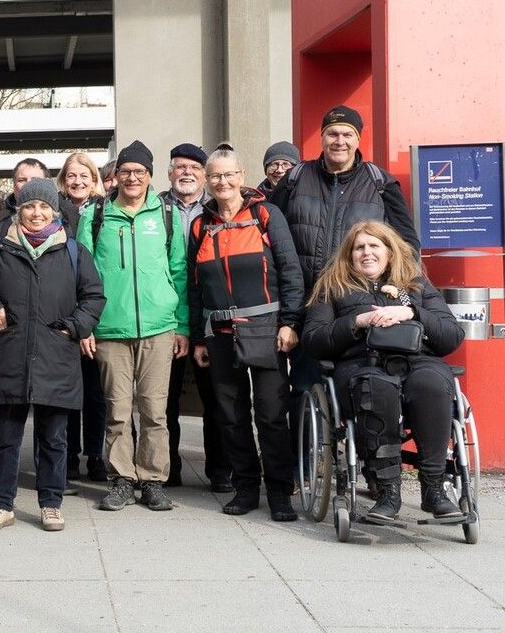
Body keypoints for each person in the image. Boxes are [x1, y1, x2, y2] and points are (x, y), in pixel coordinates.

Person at [269, 105, 420, 448]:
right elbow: (270, 237)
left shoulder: (380, 183)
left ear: (358, 138)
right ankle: (302, 466)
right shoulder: (295, 179)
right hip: (306, 305)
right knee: (304, 388)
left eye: (347, 134)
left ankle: (368, 465)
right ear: (321, 138)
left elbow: (407, 244)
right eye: (332, 134)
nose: (339, 141)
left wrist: (397, 286)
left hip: (361, 305)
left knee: (364, 388)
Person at [0, 179, 105, 533]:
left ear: (54, 211)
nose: (36, 213)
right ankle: (2, 505)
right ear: (19, 210)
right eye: (29, 207)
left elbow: (94, 297)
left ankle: (51, 504)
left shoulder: (73, 251)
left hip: (56, 355)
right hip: (10, 353)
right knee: (5, 438)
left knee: (53, 438)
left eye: (43, 207)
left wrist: (74, 327)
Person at [302, 221, 464, 522]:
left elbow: (451, 336)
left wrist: (412, 313)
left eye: (374, 246)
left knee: (431, 383)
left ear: (389, 251)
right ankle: (388, 491)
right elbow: (314, 340)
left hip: (418, 361)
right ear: (349, 255)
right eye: (359, 247)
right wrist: (358, 321)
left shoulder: (415, 286)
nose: (367, 253)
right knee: (376, 387)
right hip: (362, 364)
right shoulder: (332, 288)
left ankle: (434, 489)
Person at [187, 148, 302, 521]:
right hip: (219, 331)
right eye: (216, 176)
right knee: (230, 415)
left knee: (270, 414)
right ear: (208, 180)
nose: (223, 182)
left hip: (267, 328)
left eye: (229, 175)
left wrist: (290, 322)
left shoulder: (266, 214)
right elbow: (193, 286)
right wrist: (198, 338)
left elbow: (290, 270)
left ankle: (280, 492)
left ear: (241, 175)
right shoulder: (200, 225)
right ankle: (246, 488)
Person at [78, 140, 188, 513]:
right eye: (126, 171)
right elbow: (83, 274)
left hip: (159, 327)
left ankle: (153, 479)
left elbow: (179, 272)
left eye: (139, 172)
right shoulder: (95, 215)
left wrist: (183, 325)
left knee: (155, 411)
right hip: (110, 328)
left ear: (150, 176)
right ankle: (122, 478)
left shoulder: (166, 214)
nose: (132, 178)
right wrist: (86, 326)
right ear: (114, 176)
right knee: (117, 410)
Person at [161, 143, 231, 491]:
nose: (186, 172)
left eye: (194, 167)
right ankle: (167, 470)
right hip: (168, 317)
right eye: (179, 167)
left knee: (215, 398)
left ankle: (220, 472)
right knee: (164, 401)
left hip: (210, 315)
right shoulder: (154, 208)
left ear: (204, 175)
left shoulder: (220, 206)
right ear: (169, 172)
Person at [56, 153, 110, 484]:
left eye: (84, 175)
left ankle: (96, 454)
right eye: (72, 175)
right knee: (67, 392)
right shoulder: (52, 210)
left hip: (95, 311)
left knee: (96, 392)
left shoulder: (106, 210)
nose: (78, 181)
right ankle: (70, 455)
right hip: (63, 310)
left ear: (94, 179)